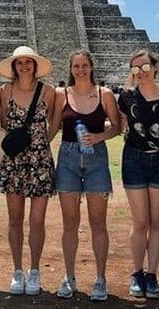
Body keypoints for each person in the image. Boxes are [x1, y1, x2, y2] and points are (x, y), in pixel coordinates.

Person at [50, 50, 120, 301]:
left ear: (92, 67)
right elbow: (53, 128)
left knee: (98, 222)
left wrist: (100, 136)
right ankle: (69, 277)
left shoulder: (106, 94)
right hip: (68, 156)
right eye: (76, 66)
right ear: (70, 69)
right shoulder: (61, 95)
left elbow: (117, 126)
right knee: (70, 223)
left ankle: (100, 278)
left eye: (84, 66)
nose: (80, 70)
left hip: (96, 158)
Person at [116, 50, 159, 300]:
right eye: (134, 69)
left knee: (157, 221)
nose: (140, 73)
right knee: (140, 222)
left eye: (144, 67)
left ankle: (152, 274)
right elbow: (118, 125)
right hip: (134, 159)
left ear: (154, 67)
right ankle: (137, 272)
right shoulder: (126, 96)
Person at [0, 46, 57, 296]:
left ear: (35, 65)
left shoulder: (49, 92)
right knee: (15, 220)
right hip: (14, 161)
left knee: (37, 220)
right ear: (13, 66)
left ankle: (34, 270)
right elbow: (1, 122)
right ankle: (17, 269)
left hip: (39, 160)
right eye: (18, 63)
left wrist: (41, 143)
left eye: (27, 62)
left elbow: (54, 122)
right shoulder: (5, 91)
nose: (23, 66)